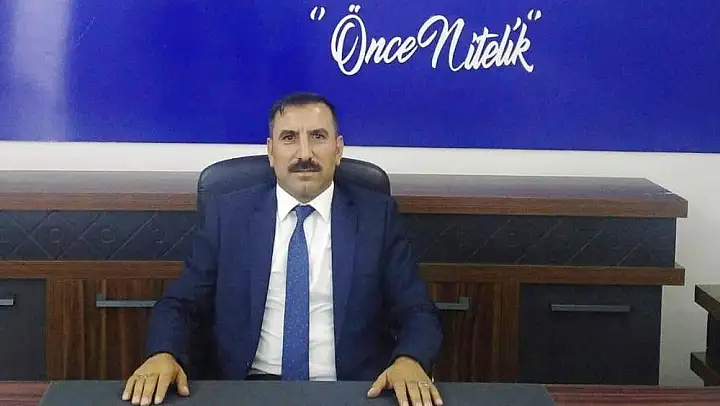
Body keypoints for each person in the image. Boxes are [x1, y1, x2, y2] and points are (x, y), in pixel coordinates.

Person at [121, 92, 444, 406]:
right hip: (244, 390)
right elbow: (181, 303)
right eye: (289, 138)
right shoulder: (228, 216)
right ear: (271, 152)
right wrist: (164, 353)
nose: (305, 153)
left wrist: (410, 359)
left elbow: (416, 309)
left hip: (350, 391)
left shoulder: (376, 217)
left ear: (338, 149)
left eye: (318, 137)